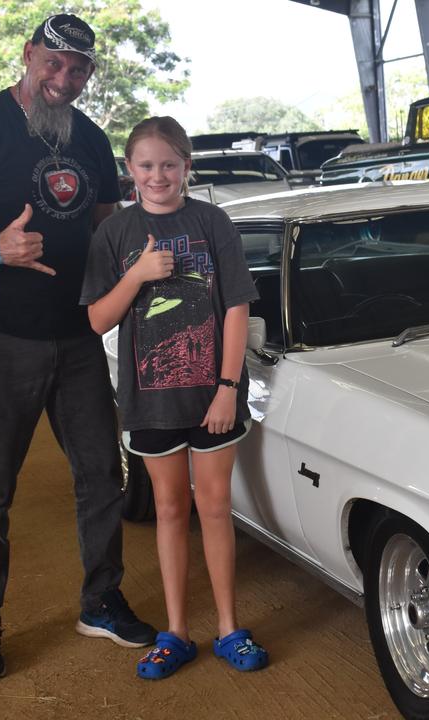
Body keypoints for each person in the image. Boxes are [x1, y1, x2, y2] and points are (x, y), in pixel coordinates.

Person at [0, 13, 156, 681]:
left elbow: (109, 234)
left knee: (102, 478)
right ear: (29, 57)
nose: (63, 78)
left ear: (87, 74)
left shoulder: (90, 140)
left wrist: (147, 260)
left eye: (77, 69)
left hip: (77, 335)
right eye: (52, 63)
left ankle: (101, 599)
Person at [82, 116, 268, 679]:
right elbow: (97, 320)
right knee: (169, 510)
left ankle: (230, 628)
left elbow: (238, 307)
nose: (157, 175)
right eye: (146, 165)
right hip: (151, 401)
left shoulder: (212, 223)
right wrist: (137, 274)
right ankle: (177, 632)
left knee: (214, 508)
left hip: (211, 397)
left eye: (168, 164)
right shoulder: (114, 234)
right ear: (129, 171)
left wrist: (227, 389)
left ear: (186, 166)